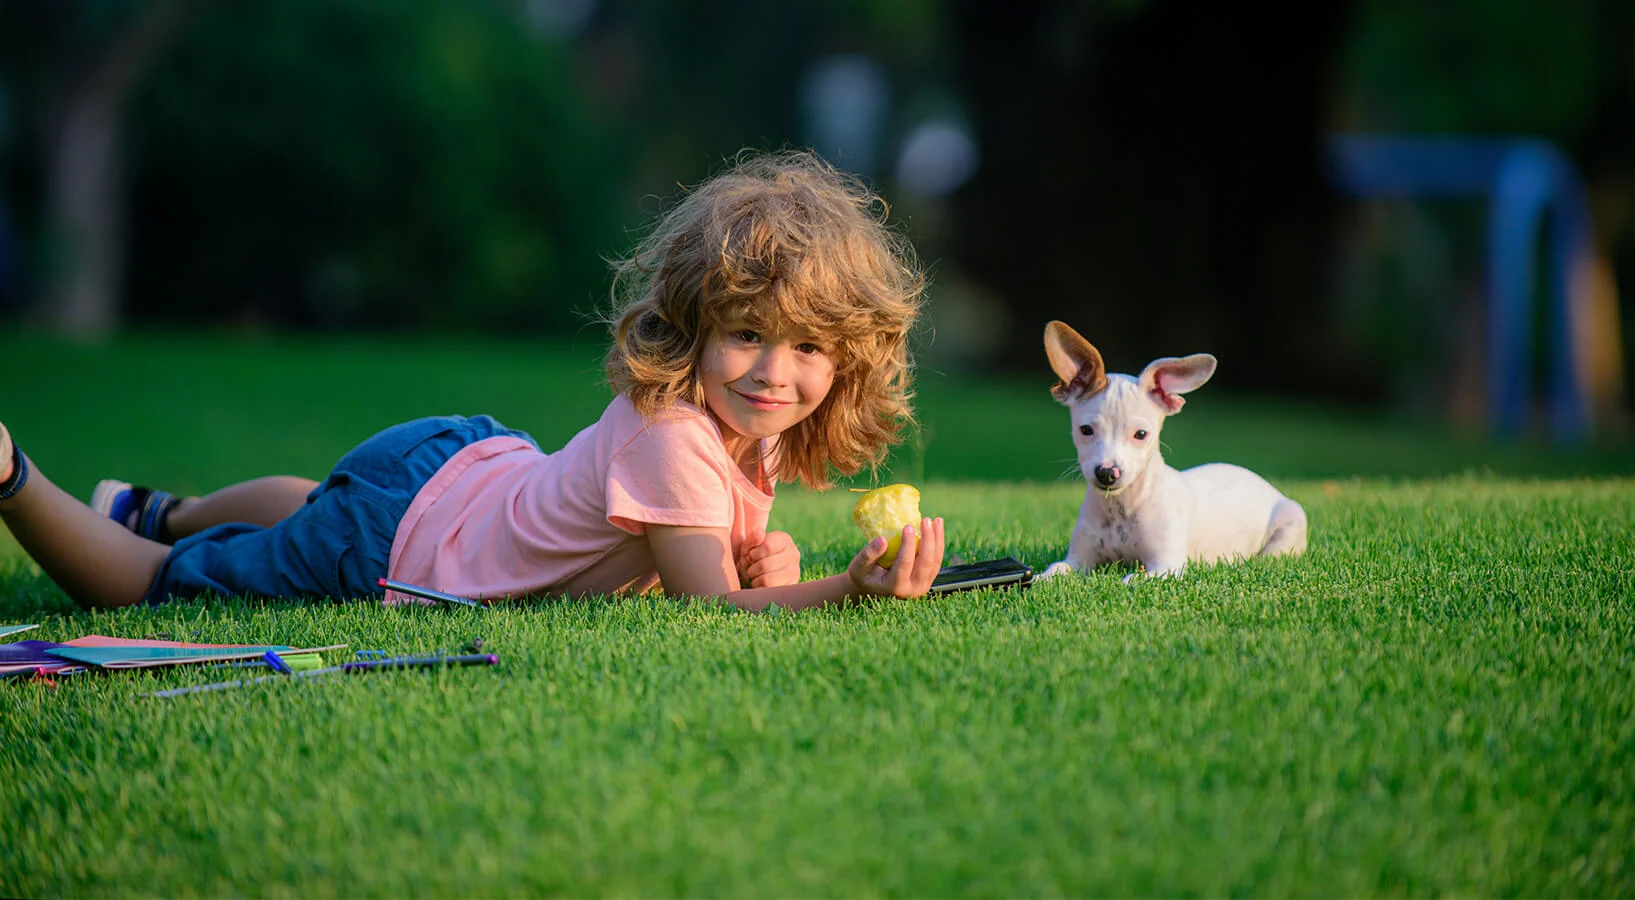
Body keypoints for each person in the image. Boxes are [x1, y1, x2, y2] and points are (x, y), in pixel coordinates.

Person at [0, 150, 946, 612]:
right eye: (747, 334)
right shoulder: (678, 437)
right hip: (399, 544)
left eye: (809, 349)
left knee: (313, 504)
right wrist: (842, 591)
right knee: (167, 589)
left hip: (459, 461)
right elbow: (709, 611)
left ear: (848, 358)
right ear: (694, 324)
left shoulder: (746, 419)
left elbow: (714, 549)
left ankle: (162, 507)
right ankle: (23, 482)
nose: (777, 373)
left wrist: (762, 557)